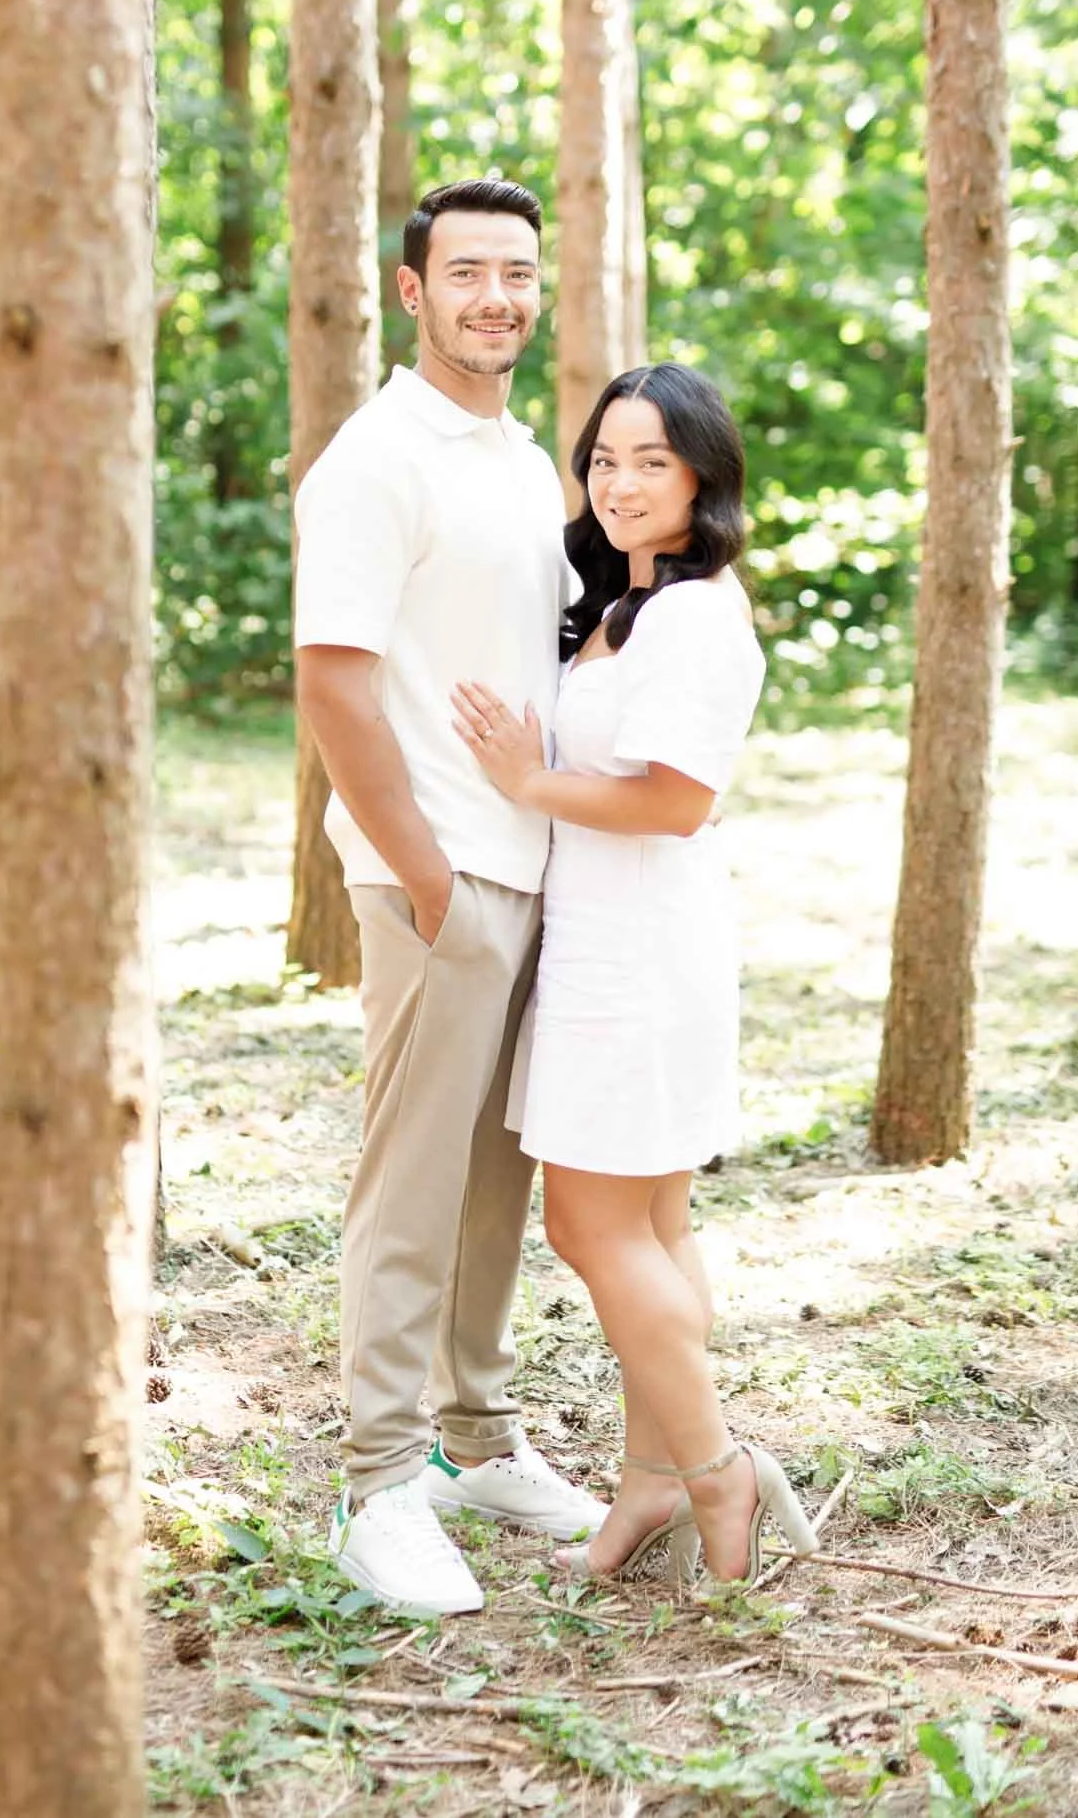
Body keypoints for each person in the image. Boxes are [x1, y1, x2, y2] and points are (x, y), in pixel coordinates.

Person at [293, 177, 607, 1617]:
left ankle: (476, 1444)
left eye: (517, 273)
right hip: (440, 878)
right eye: (466, 271)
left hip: (535, 865)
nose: (497, 295)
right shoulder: (375, 460)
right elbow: (332, 682)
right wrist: (419, 871)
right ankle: (374, 1480)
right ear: (410, 292)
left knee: (499, 1180)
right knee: (411, 1187)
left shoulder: (518, 456)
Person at [453, 362, 817, 1587]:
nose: (617, 482)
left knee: (590, 1224)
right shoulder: (622, 608)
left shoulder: (700, 614)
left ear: (701, 475)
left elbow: (674, 799)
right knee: (651, 1228)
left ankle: (719, 1472)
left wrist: (526, 781)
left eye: (648, 460)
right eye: (602, 459)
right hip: (607, 942)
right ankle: (650, 1483)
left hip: (641, 955)